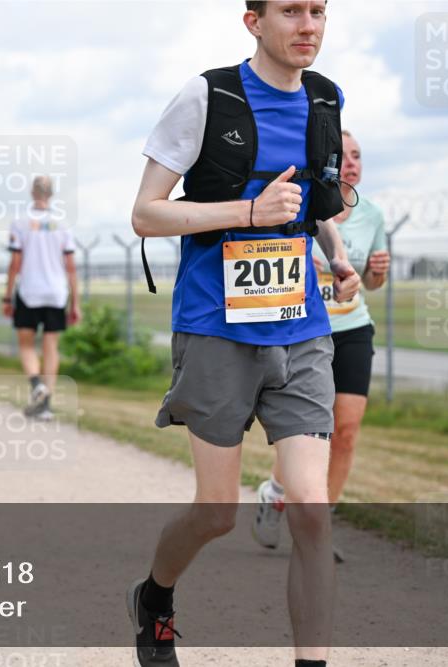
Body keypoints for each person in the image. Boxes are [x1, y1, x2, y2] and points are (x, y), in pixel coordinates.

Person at [128, 2, 360, 666]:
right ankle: (155, 596)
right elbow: (145, 214)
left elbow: (312, 199)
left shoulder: (325, 98)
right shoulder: (208, 95)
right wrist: (248, 211)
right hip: (216, 328)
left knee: (311, 507)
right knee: (216, 511)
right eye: (292, 10)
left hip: (302, 329)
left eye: (318, 11)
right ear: (253, 21)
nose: (309, 24)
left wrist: (338, 259)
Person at [252, 130, 390, 562]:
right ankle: (275, 492)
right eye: (343, 155)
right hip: (305, 330)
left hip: (352, 329)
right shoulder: (303, 203)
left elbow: (369, 282)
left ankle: (317, 529)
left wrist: (376, 274)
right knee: (310, 430)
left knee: (345, 433)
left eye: (357, 156)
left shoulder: (372, 216)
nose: (351, 163)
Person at [2, 175, 81, 421]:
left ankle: (36, 384)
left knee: (26, 344)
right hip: (57, 293)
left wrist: (7, 297)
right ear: (52, 193)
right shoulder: (62, 223)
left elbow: (15, 262)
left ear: (32, 192)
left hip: (29, 291)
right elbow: (70, 267)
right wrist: (75, 302)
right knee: (51, 348)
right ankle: (45, 405)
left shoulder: (20, 222)